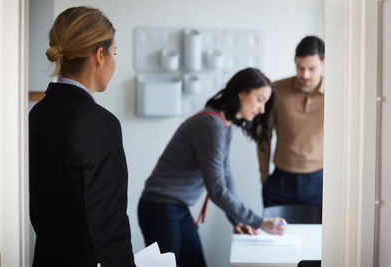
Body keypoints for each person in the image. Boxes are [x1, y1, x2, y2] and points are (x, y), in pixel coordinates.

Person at [138, 68, 288, 267]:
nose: (262, 109)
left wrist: (238, 220)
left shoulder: (222, 125)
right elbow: (217, 189)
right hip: (160, 207)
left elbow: (226, 177)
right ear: (242, 92)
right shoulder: (211, 125)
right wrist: (258, 221)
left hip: (175, 208)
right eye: (260, 99)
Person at [29, 6, 135, 267]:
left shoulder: (36, 114)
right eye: (114, 53)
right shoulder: (102, 124)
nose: (113, 62)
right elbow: (109, 224)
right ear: (100, 55)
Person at [257, 36, 325, 208]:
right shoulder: (276, 90)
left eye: (312, 68)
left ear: (323, 63)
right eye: (300, 67)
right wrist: (264, 177)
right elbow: (264, 135)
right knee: (275, 233)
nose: (305, 75)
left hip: (320, 182)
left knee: (318, 235)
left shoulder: (338, 93)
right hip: (280, 181)